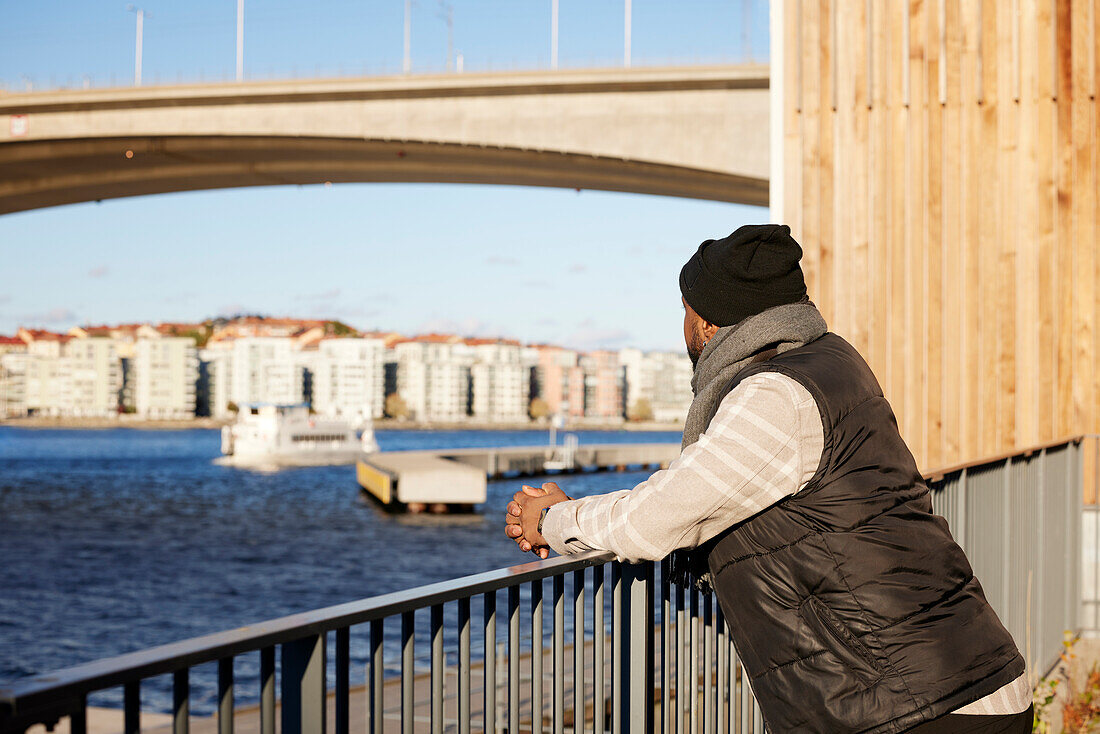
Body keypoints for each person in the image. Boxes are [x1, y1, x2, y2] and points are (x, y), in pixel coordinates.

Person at [504, 224, 1032, 734]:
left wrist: (551, 519)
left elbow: (657, 518)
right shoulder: (830, 361)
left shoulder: (777, 395)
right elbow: (706, 487)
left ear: (708, 323)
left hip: (919, 704)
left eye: (684, 312)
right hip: (946, 683)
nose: (684, 329)